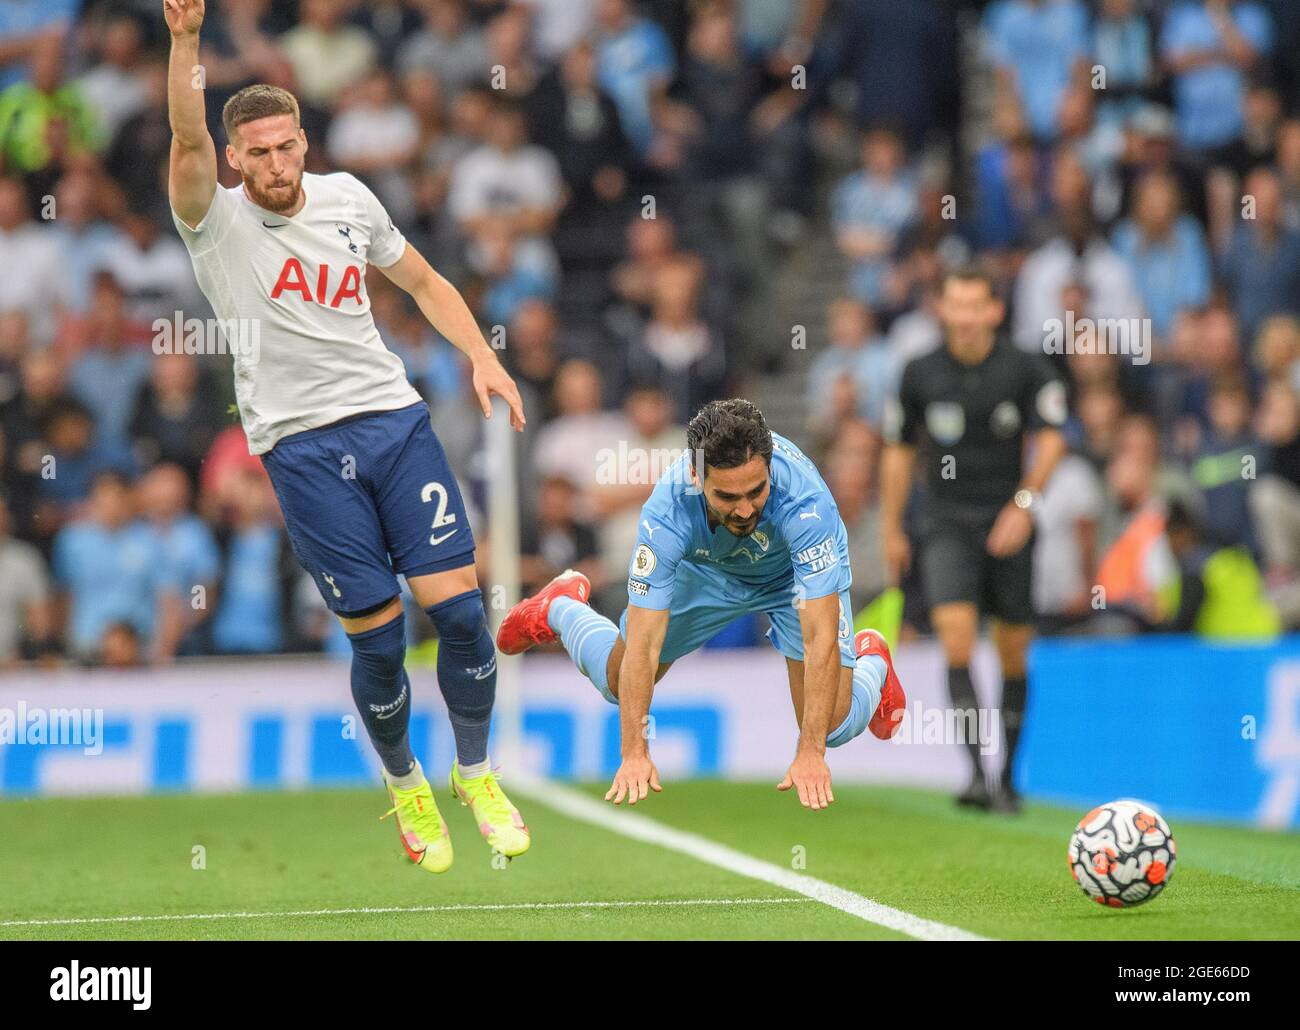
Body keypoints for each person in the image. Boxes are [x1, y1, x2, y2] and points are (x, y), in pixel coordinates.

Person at [162, 0, 528, 875]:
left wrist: (480, 355)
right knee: (378, 639)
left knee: (465, 615)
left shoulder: (348, 199)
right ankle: (405, 785)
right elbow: (183, 136)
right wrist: (183, 42)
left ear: (304, 144)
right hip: (303, 448)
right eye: (259, 152)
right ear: (234, 158)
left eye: (289, 146)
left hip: (395, 422)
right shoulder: (213, 222)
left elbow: (427, 280)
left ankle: (474, 773)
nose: (279, 163)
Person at [497, 398, 907, 811]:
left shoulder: (808, 505)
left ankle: (872, 660)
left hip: (790, 578)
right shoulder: (667, 513)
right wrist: (634, 752)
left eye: (756, 491)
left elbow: (821, 637)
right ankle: (562, 606)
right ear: (696, 476)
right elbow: (643, 644)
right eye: (728, 497)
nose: (745, 510)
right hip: (707, 571)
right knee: (620, 682)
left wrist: (810, 752)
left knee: (830, 727)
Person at [881, 266, 1068, 813]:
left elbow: (1053, 439)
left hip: (1009, 518)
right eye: (954, 305)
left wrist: (1026, 503)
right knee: (956, 635)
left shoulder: (1026, 368)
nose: (963, 317)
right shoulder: (918, 372)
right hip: (944, 521)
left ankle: (1008, 775)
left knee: (1013, 648)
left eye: (974, 306)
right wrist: (892, 525)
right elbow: (898, 449)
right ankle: (975, 775)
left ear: (994, 311)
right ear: (941, 310)